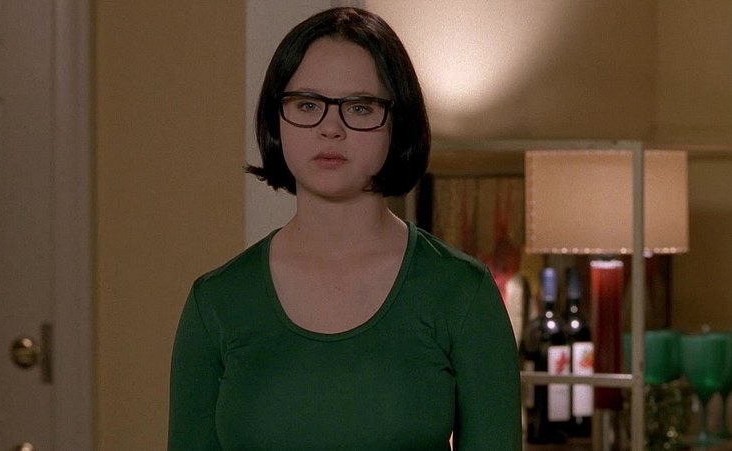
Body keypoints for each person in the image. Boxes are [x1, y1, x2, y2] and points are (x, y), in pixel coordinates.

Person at [169, 7, 521, 450]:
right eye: (307, 105)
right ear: (277, 117)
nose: (330, 128)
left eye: (359, 107)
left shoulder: (461, 293)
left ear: (397, 122)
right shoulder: (217, 303)